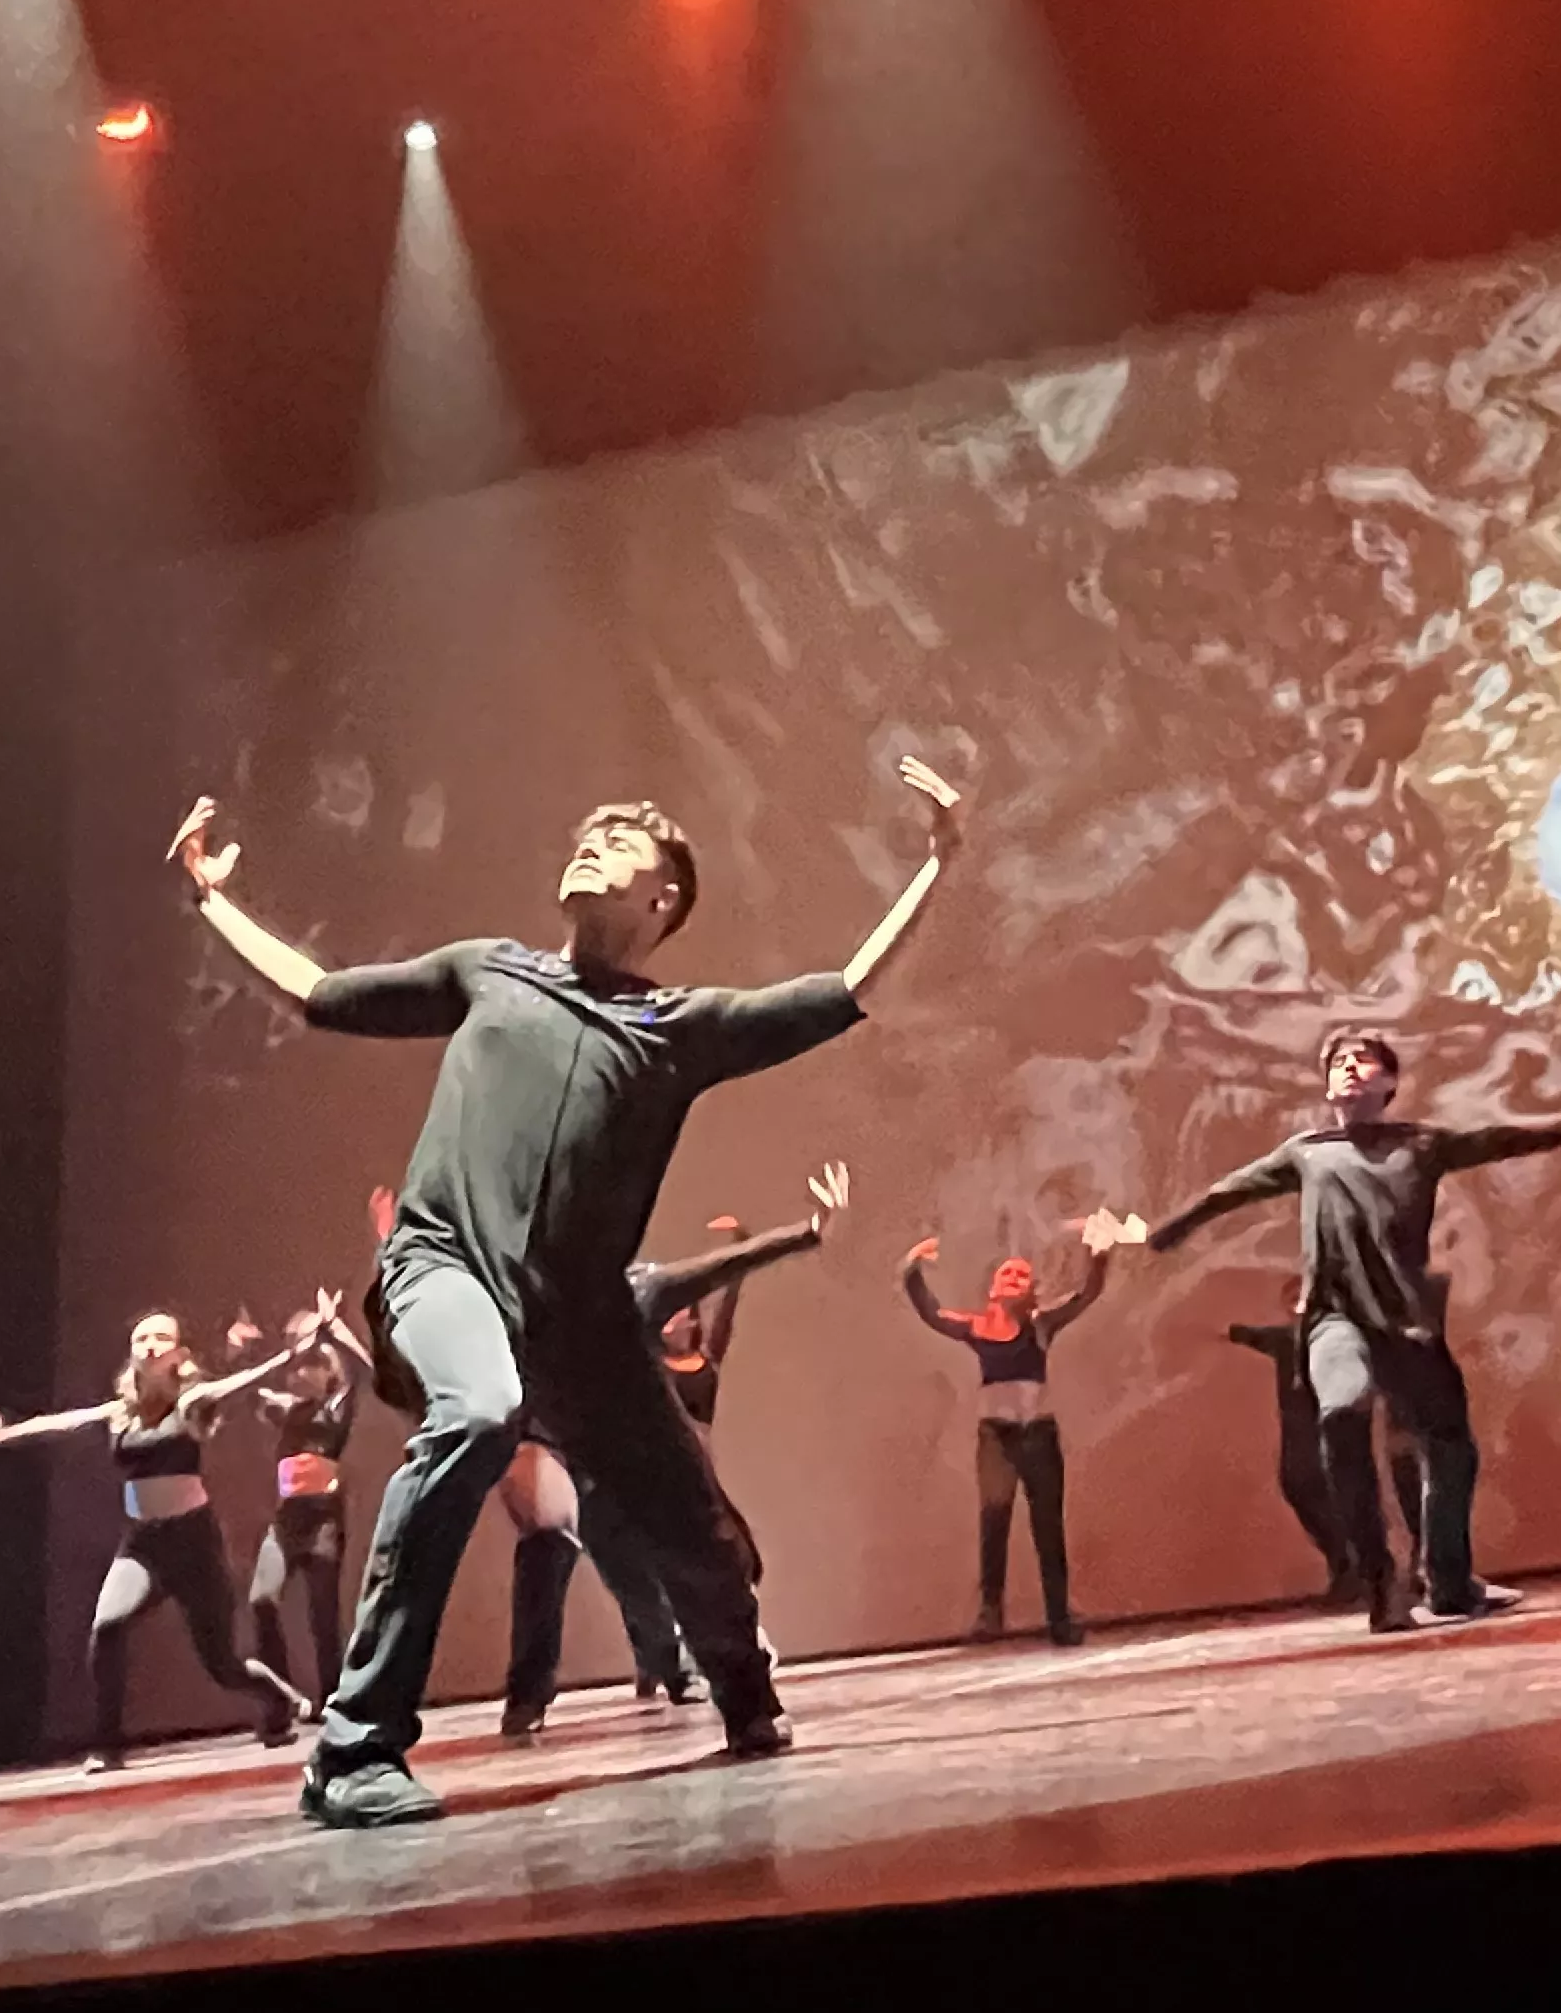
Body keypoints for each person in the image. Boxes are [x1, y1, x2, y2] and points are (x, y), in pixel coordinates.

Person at [170, 760, 965, 1831]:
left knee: (698, 1527)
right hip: (444, 1264)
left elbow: (847, 991)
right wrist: (212, 900)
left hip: (581, 1319)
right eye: (585, 832)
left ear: (662, 899)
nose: (589, 843)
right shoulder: (488, 971)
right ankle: (356, 1746)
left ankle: (744, 1690)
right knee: (481, 1411)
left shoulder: (680, 1027)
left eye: (620, 841)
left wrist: (937, 863)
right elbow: (320, 992)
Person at [1132, 1031, 1561, 1631]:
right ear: (1329, 1084)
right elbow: (1221, 1194)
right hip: (1336, 1320)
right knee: (1342, 1410)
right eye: (1339, 1062)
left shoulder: (1422, 1144)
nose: (1351, 1069)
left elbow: (1510, 1138)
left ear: (1389, 1083)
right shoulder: (1306, 1151)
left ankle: (1448, 1583)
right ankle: (1380, 1581)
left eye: (1364, 1062)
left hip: (1408, 1328)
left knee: (1452, 1450)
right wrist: (1156, 1234)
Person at [499, 1166, 849, 1738]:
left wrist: (810, 1230)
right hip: (590, 1470)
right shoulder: (525, 1313)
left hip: (659, 1458)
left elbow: (724, 1268)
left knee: (708, 1570)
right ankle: (542, 1693)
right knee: (611, 1571)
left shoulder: (636, 1290)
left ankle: (746, 1705)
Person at [0, 1310, 316, 1771]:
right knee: (106, 1628)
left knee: (222, 1664)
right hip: (144, 1545)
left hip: (193, 1545)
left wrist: (297, 1351)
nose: (150, 1345)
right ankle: (107, 1746)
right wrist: (2, 1434)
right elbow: (61, 1424)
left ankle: (276, 1701)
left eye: (161, 1338)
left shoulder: (192, 1403)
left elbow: (243, 1382)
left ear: (179, 1354)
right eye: (141, 1338)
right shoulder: (118, 1413)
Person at [901, 1210, 1124, 1644]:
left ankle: (1060, 1618)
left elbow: (1087, 1293)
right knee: (994, 1521)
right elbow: (930, 1312)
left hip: (1038, 1433)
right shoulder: (976, 1326)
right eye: (1007, 1273)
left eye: (1023, 1276)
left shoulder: (1040, 1324)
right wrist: (912, 1269)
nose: (1014, 1277)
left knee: (1047, 1525)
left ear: (1031, 1292)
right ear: (992, 1287)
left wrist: (1099, 1253)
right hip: (997, 1436)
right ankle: (990, 1614)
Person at [1224, 1296, 1424, 1606]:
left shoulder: (1321, 1339)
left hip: (1322, 1439)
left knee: (1336, 1496)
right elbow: (1243, 1333)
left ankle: (1361, 1573)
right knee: (1308, 1493)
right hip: (1305, 1444)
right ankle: (1351, 1569)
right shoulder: (1289, 1339)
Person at [242, 1279, 372, 1714]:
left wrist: (335, 1329)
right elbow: (246, 1386)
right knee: (262, 1598)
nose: (305, 1370)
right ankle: (279, 1694)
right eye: (299, 1360)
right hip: (287, 1520)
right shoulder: (280, 1403)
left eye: (315, 1360)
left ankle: (334, 1699)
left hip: (323, 1521)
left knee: (323, 1618)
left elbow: (366, 1368)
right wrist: (246, 1345)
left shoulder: (336, 1404)